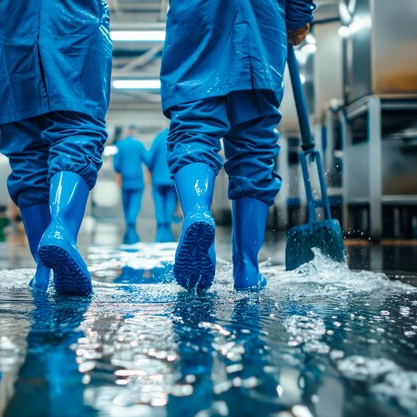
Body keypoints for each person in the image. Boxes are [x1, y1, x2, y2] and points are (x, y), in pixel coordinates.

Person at [0, 1, 112, 296]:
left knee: (26, 153)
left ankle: (44, 271)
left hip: (8, 30)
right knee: (77, 132)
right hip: (73, 23)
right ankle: (60, 230)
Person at [160, 0, 315, 292]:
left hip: (197, 16)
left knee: (194, 129)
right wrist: (297, 17)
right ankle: (247, 269)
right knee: (254, 145)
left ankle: (196, 214)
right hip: (259, 18)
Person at [113, 127, 148, 244]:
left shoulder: (120, 145)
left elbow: (117, 165)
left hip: (125, 180)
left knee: (126, 202)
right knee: (135, 202)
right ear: (134, 133)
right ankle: (132, 219)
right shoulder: (139, 145)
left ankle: (128, 221)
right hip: (137, 179)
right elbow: (147, 160)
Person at [147, 128, 177, 242]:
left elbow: (149, 159)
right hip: (172, 178)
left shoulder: (158, 138)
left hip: (158, 179)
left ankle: (161, 223)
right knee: (170, 200)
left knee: (159, 201)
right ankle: (168, 223)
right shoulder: (176, 137)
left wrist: (150, 170)